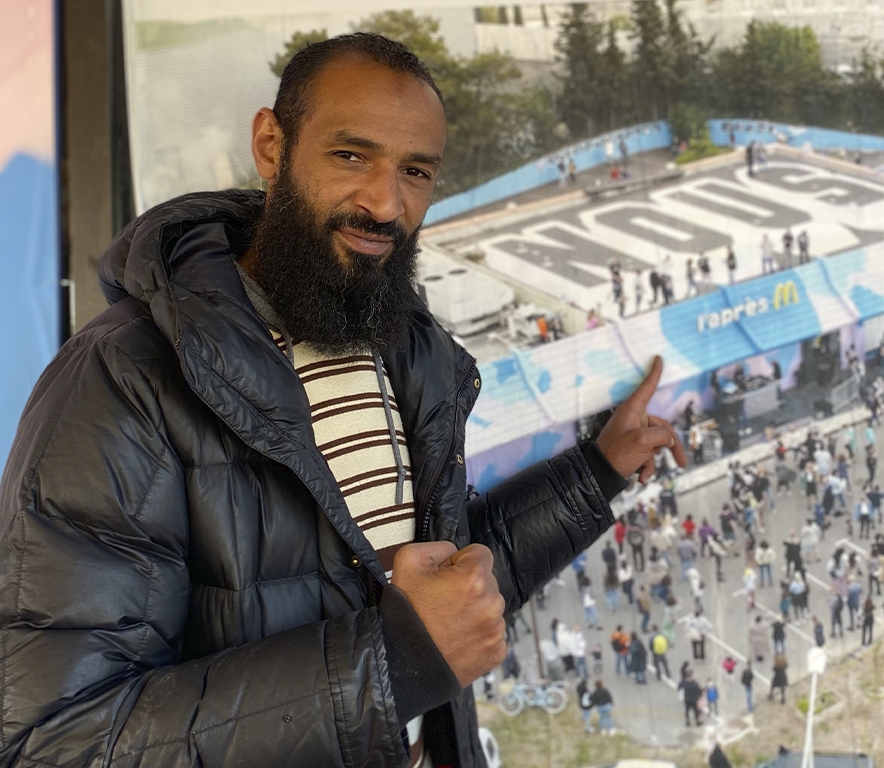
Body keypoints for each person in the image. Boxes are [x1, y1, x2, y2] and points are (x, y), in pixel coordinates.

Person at [0, 32, 697, 768]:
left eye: (416, 171)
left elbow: (443, 589)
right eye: (351, 155)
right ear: (271, 145)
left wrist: (596, 473)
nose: (385, 203)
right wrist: (393, 664)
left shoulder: (403, 345)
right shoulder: (121, 379)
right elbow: (54, 740)